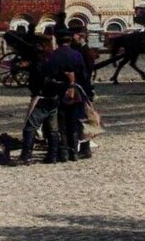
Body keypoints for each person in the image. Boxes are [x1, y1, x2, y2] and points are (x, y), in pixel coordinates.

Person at [48, 30, 92, 162]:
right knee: (74, 122)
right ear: (69, 41)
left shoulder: (53, 56)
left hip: (59, 92)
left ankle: (64, 153)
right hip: (75, 92)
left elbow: (48, 74)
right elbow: (84, 76)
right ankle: (74, 153)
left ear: (58, 40)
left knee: (61, 124)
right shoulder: (77, 55)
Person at [20, 35, 62, 164]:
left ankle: (26, 156)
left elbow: (36, 81)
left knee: (30, 127)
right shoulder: (55, 61)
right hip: (54, 98)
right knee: (53, 129)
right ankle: (53, 156)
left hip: (41, 98)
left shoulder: (39, 63)